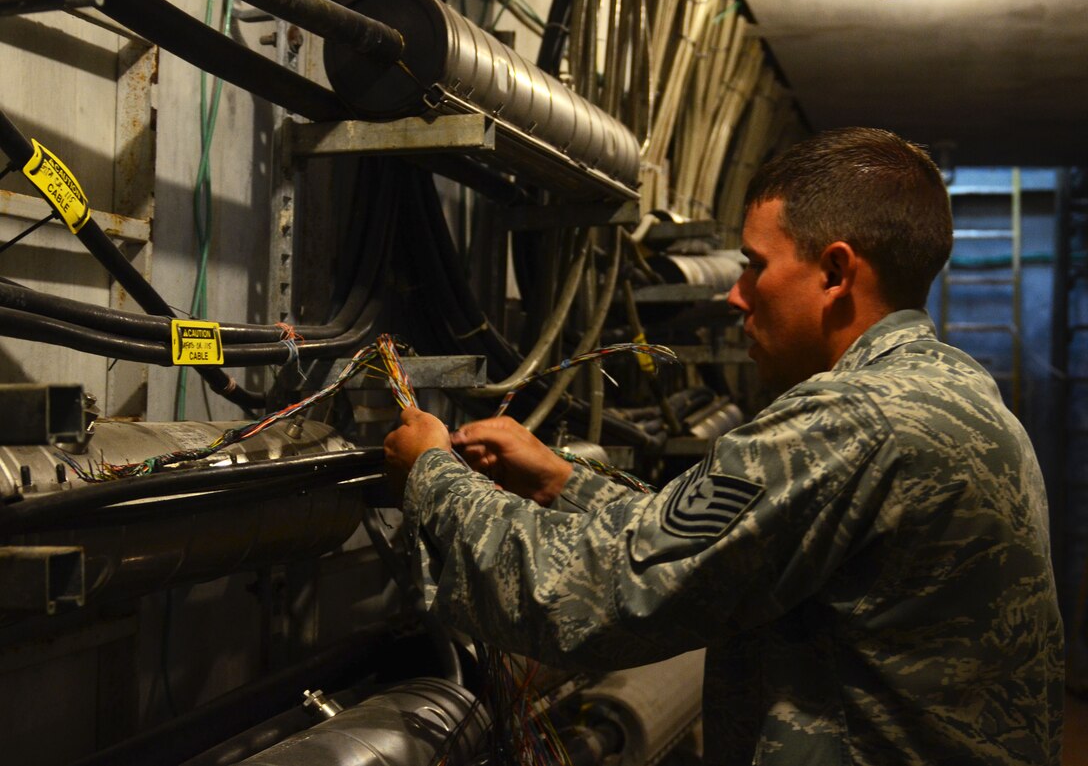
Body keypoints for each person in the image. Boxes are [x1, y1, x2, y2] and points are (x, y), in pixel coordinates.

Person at [384, 127, 1064, 765]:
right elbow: (713, 538)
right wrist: (562, 480)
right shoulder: (955, 388)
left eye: (755, 265)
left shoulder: (852, 419)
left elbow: (596, 592)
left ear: (834, 272)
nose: (737, 296)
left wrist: (434, 475)